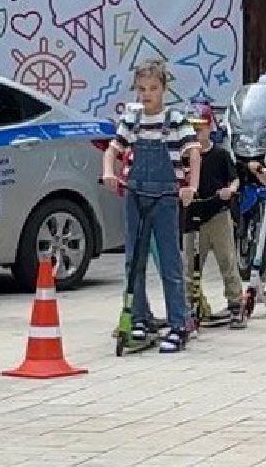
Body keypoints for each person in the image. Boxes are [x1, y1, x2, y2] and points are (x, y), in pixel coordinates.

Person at [101, 60, 200, 351]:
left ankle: (179, 324)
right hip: (135, 195)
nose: (147, 94)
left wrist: (191, 187)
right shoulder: (132, 119)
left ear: (164, 89)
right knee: (134, 260)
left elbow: (194, 153)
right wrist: (109, 172)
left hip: (166, 198)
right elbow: (113, 149)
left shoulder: (176, 120)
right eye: (142, 89)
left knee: (170, 262)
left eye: (153, 88)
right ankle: (139, 318)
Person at [182, 110, 246, 329]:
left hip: (218, 213)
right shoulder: (183, 157)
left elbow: (234, 179)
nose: (196, 133)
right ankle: (190, 307)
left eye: (200, 128)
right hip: (192, 215)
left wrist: (230, 190)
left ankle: (236, 304)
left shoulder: (220, 154)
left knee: (227, 260)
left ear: (210, 128)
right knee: (190, 264)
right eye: (191, 129)